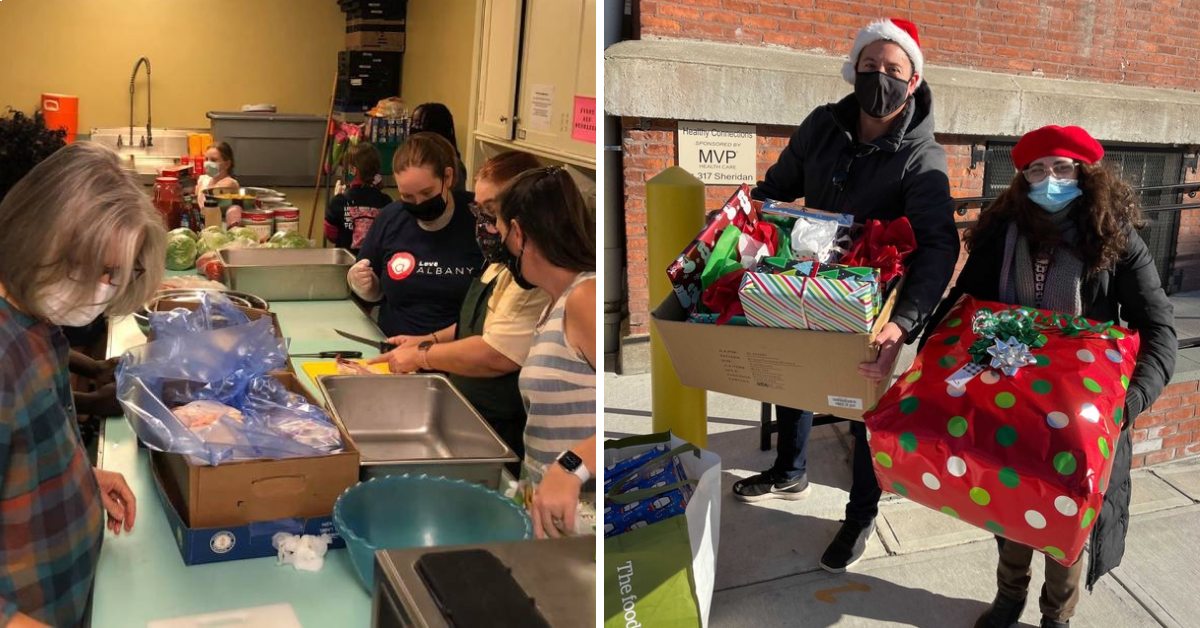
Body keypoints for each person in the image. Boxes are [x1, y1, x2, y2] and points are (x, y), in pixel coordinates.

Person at [731, 17, 960, 573]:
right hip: (810, 275)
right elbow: (778, 186)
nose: (879, 78)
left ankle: (860, 515)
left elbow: (939, 247)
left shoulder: (920, 158)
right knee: (792, 374)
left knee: (864, 411)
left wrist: (902, 322)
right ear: (853, 70)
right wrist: (738, 221)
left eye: (893, 70)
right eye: (870, 67)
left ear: (913, 81)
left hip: (875, 300)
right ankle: (790, 470)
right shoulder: (822, 126)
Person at [941, 125, 1176, 628]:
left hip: (1081, 416)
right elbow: (962, 306)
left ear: (1085, 175)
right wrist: (932, 361)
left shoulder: (1115, 240)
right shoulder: (1001, 235)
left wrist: (1126, 405)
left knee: (1066, 521)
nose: (1051, 179)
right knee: (1007, 503)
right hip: (1008, 404)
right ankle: (1008, 598)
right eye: (1037, 169)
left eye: (1063, 168)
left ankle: (1056, 616)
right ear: (1021, 178)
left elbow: (1160, 330)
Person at [0, 142, 165, 627]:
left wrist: (74, 478)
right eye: (89, 267)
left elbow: (22, 446)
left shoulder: (38, 327)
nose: (100, 288)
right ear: (34, 238)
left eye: (114, 273)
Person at [368, 151, 551, 462]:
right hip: (469, 410)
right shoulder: (501, 260)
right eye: (479, 210)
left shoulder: (534, 274)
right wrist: (430, 340)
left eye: (492, 210)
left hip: (502, 426)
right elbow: (480, 325)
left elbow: (497, 354)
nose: (484, 223)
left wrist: (421, 356)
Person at [494, 166, 596, 539]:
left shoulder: (584, 299)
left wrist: (570, 465)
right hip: (548, 520)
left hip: (584, 527)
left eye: (503, 233)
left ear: (520, 234)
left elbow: (621, 428)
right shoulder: (551, 303)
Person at [347, 132, 484, 337]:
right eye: (407, 197)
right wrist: (366, 286)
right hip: (394, 351)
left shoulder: (479, 220)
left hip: (459, 353)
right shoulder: (390, 219)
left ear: (447, 177)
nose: (419, 203)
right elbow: (367, 294)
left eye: (427, 193)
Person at [324, 142, 392, 255]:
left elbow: (331, 235)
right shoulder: (386, 201)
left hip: (346, 266)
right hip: (376, 267)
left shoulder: (339, 202)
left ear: (351, 170)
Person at [410, 103, 468, 193]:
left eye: (418, 124)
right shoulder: (413, 158)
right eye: (412, 123)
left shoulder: (454, 166)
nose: (413, 128)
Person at [194, 142, 239, 208]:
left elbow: (212, 197)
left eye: (213, 160)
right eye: (206, 159)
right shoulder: (204, 179)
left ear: (227, 164)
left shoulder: (230, 183)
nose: (207, 163)